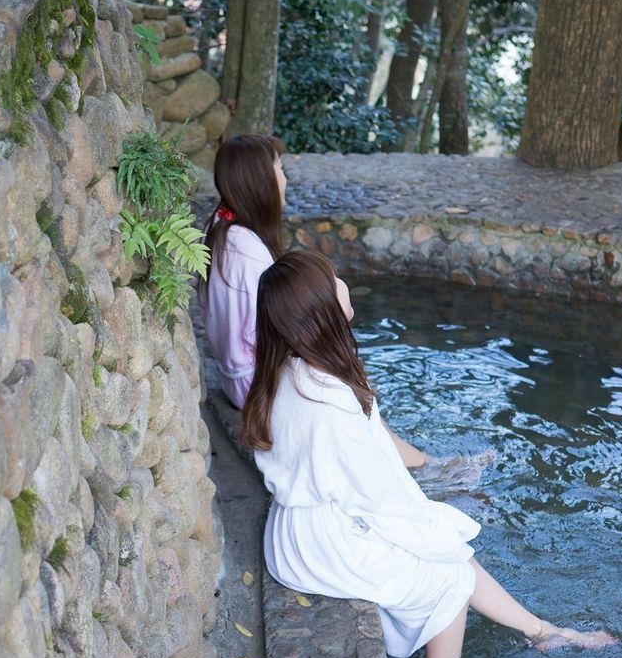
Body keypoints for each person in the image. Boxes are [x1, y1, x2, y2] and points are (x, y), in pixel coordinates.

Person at [239, 250, 616, 658]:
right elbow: (378, 497)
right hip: (325, 544)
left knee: (449, 542)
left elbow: (372, 460)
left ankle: (542, 631)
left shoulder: (295, 373)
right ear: (322, 309)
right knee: (449, 571)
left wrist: (437, 486)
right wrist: (436, 531)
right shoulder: (328, 400)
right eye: (334, 277)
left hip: (299, 529)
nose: (343, 280)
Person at [199, 133, 488, 495]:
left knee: (347, 376)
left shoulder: (222, 230)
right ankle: (427, 469)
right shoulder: (249, 254)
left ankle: (422, 463)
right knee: (348, 382)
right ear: (258, 180)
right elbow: (277, 331)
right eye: (279, 168)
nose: (285, 178)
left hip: (237, 377)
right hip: (254, 385)